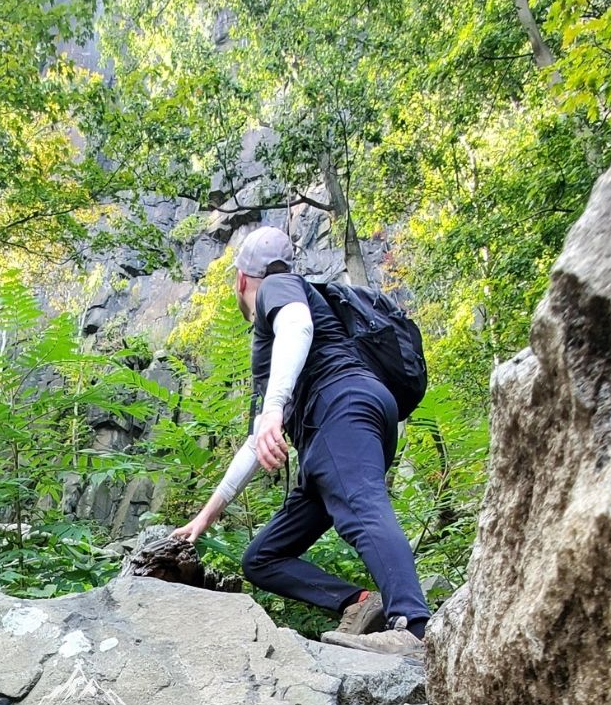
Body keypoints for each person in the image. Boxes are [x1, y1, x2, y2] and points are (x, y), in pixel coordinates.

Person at [171, 225, 429, 655]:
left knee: (362, 509)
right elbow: (259, 441)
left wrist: (274, 408)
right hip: (337, 428)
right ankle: (363, 604)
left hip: (340, 410)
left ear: (240, 280)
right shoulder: (281, 327)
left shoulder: (277, 288)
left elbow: (297, 325)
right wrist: (206, 517)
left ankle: (415, 627)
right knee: (263, 558)